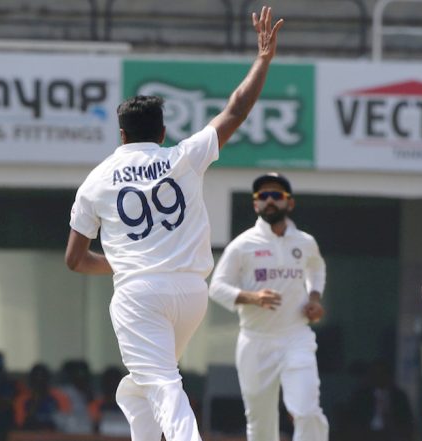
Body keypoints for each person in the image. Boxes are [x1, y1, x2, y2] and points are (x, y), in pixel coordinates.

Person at [64, 7, 284, 441]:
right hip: (190, 294)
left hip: (139, 296)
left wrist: (124, 261)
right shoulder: (182, 157)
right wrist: (262, 59)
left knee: (162, 383)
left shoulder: (95, 181)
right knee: (139, 387)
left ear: (121, 135)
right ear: (162, 132)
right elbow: (236, 110)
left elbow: (74, 260)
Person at [209, 173, 328, 441]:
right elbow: (216, 287)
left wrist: (315, 298)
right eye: (263, 196)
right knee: (260, 422)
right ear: (255, 205)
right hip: (255, 341)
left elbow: (317, 268)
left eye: (276, 195)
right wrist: (252, 297)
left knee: (307, 412)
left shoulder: (305, 242)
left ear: (290, 203)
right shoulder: (242, 245)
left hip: (296, 337)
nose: (269, 201)